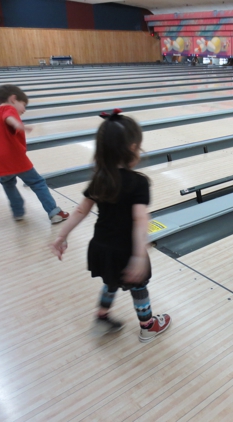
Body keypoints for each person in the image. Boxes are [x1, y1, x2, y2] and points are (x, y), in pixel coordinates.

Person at [50, 109, 171, 343]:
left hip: (101, 247)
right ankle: (148, 326)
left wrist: (61, 236)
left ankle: (102, 317)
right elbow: (139, 220)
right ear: (134, 148)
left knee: (110, 281)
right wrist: (138, 256)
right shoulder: (138, 183)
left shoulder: (100, 179)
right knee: (138, 288)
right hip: (127, 250)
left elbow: (79, 210)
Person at [0, 84, 69, 223]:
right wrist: (17, 124)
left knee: (8, 183)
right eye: (24, 105)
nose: (24, 109)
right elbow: (8, 116)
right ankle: (54, 212)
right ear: (13, 99)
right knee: (37, 182)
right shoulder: (8, 108)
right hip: (15, 158)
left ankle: (18, 212)